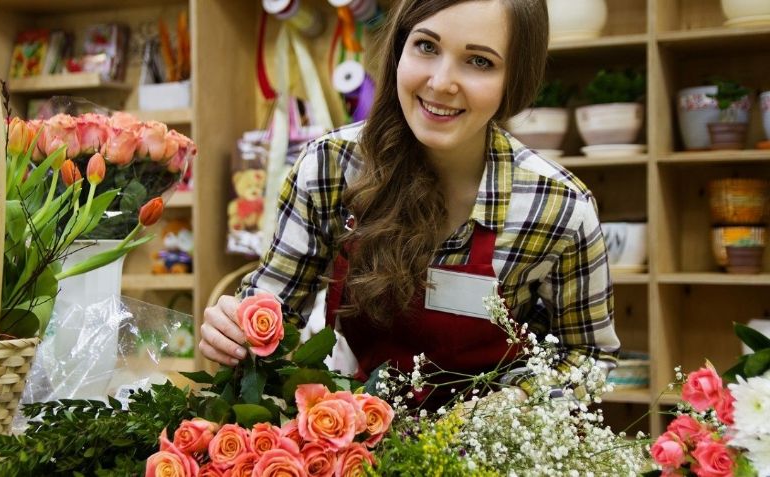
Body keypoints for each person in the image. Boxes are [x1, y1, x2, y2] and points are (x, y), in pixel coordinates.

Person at [200, 0, 620, 397]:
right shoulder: (330, 168)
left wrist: (503, 411)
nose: (440, 83)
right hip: (361, 441)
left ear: (516, 78)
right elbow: (272, 315)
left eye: (479, 61)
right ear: (399, 48)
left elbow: (588, 357)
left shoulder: (558, 207)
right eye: (426, 46)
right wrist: (233, 331)